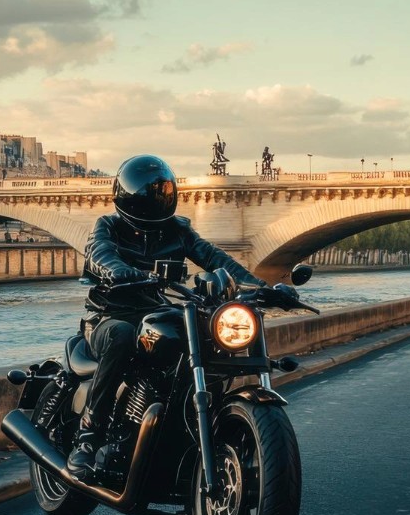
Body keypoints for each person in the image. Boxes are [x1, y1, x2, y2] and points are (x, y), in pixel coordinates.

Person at [70, 154, 267, 479]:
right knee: (121, 335)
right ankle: (88, 438)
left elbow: (214, 257)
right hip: (108, 316)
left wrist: (261, 287)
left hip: (153, 312)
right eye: (152, 194)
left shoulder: (178, 230)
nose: (157, 199)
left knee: (197, 332)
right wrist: (118, 270)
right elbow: (99, 254)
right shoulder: (108, 225)